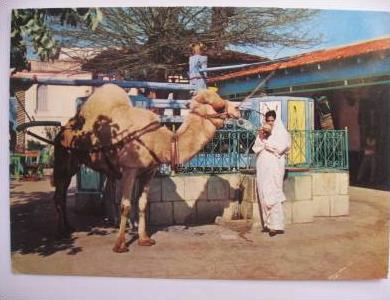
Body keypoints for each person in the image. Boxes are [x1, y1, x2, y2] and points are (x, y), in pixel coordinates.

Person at [252, 110, 291, 237]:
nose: (270, 123)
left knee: (273, 193)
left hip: (274, 167)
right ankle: (268, 224)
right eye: (268, 121)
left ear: (276, 120)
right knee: (263, 193)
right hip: (263, 167)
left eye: (272, 120)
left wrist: (267, 141)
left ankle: (276, 225)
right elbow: (256, 147)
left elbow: (280, 148)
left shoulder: (282, 133)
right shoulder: (262, 133)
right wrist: (262, 137)